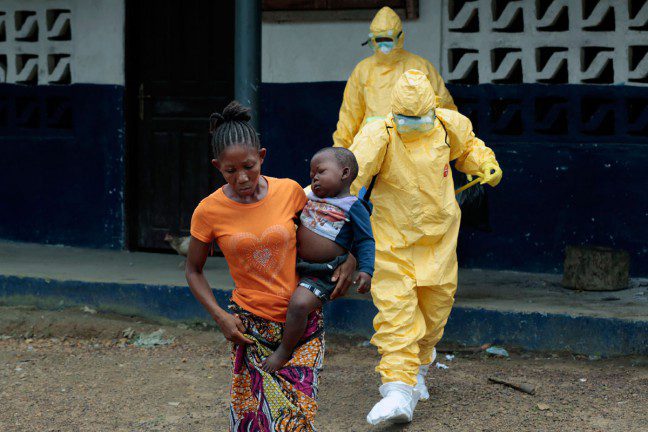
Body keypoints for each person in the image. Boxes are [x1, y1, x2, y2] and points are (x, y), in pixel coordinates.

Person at [185, 101, 357, 431]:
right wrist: (221, 317)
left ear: (262, 156)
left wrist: (349, 259)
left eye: (249, 166)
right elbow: (193, 270)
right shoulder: (208, 211)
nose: (242, 177)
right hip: (249, 328)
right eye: (230, 171)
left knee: (297, 417)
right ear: (217, 166)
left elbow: (331, 229)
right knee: (254, 419)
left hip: (302, 322)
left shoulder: (290, 192)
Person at [347, 70, 503, 425]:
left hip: (439, 240)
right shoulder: (378, 135)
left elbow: (469, 149)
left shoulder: (450, 126)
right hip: (391, 240)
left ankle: (416, 371)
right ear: (393, 111)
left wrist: (485, 164)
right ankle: (398, 389)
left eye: (419, 118)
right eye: (405, 118)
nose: (412, 124)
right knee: (396, 312)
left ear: (433, 109)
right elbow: (351, 174)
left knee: (435, 311)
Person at [262, 147, 376, 373]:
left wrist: (366, 270)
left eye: (320, 171)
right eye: (311, 173)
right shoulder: (308, 197)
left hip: (325, 271)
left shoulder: (354, 207)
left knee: (300, 304)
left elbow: (365, 240)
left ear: (344, 173)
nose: (314, 177)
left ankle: (284, 351)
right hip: (296, 264)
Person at [333, 6, 457, 150]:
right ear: (371, 40)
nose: (383, 45)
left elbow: (444, 108)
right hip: (372, 145)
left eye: (388, 39)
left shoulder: (420, 67)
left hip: (412, 145)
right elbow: (350, 115)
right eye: (378, 40)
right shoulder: (363, 70)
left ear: (400, 38)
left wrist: (450, 142)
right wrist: (339, 152)